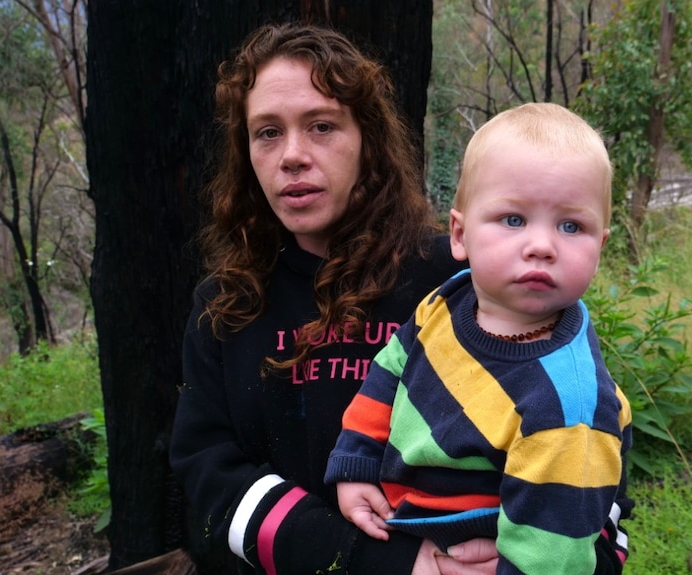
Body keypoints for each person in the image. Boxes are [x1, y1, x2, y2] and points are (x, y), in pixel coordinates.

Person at [169, 22, 503, 575]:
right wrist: (380, 562)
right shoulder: (225, 306)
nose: (293, 155)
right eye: (267, 132)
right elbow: (211, 476)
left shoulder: (455, 280)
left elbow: (573, 428)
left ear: (366, 140)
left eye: (321, 126)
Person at [324, 102, 634, 575]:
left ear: (601, 248)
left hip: (485, 547)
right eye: (513, 219)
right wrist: (356, 461)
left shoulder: (567, 405)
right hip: (406, 527)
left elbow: (554, 552)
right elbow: (390, 372)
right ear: (460, 234)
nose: (542, 245)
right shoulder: (447, 303)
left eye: (572, 226)